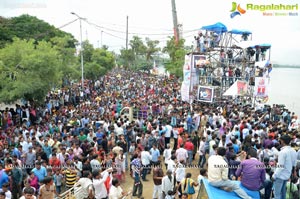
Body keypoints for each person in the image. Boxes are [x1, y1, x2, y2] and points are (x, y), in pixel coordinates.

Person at [272, 134, 297, 199]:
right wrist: (294, 173)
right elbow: (294, 164)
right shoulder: (293, 151)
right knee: (283, 193)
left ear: (282, 141)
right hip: (287, 175)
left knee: (277, 194)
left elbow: (280, 166)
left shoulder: (283, 152)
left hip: (280, 175)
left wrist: (274, 176)